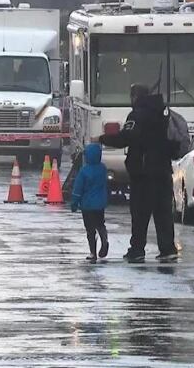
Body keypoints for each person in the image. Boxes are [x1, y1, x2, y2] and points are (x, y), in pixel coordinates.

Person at [98, 83, 178, 263]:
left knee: (140, 214)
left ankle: (137, 249)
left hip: (143, 173)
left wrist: (102, 139)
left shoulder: (137, 115)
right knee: (163, 213)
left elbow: (126, 137)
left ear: (135, 97)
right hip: (163, 171)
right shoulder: (164, 113)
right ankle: (167, 249)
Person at [71, 143, 109, 262]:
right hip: (100, 204)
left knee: (90, 230)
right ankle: (104, 239)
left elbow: (78, 189)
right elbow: (106, 186)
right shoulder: (102, 169)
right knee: (100, 224)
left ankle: (93, 253)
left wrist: (74, 203)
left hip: (87, 205)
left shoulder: (84, 171)